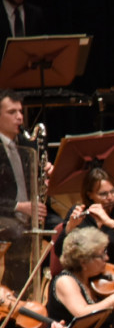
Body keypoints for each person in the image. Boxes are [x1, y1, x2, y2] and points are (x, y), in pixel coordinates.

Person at [0, 89, 46, 291]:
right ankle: (18, 293)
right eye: (12, 112)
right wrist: (20, 207)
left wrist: (45, 176)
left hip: (26, 214)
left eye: (20, 111)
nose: (20, 117)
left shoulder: (24, 148)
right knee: (19, 234)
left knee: (64, 227)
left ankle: (48, 288)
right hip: (5, 215)